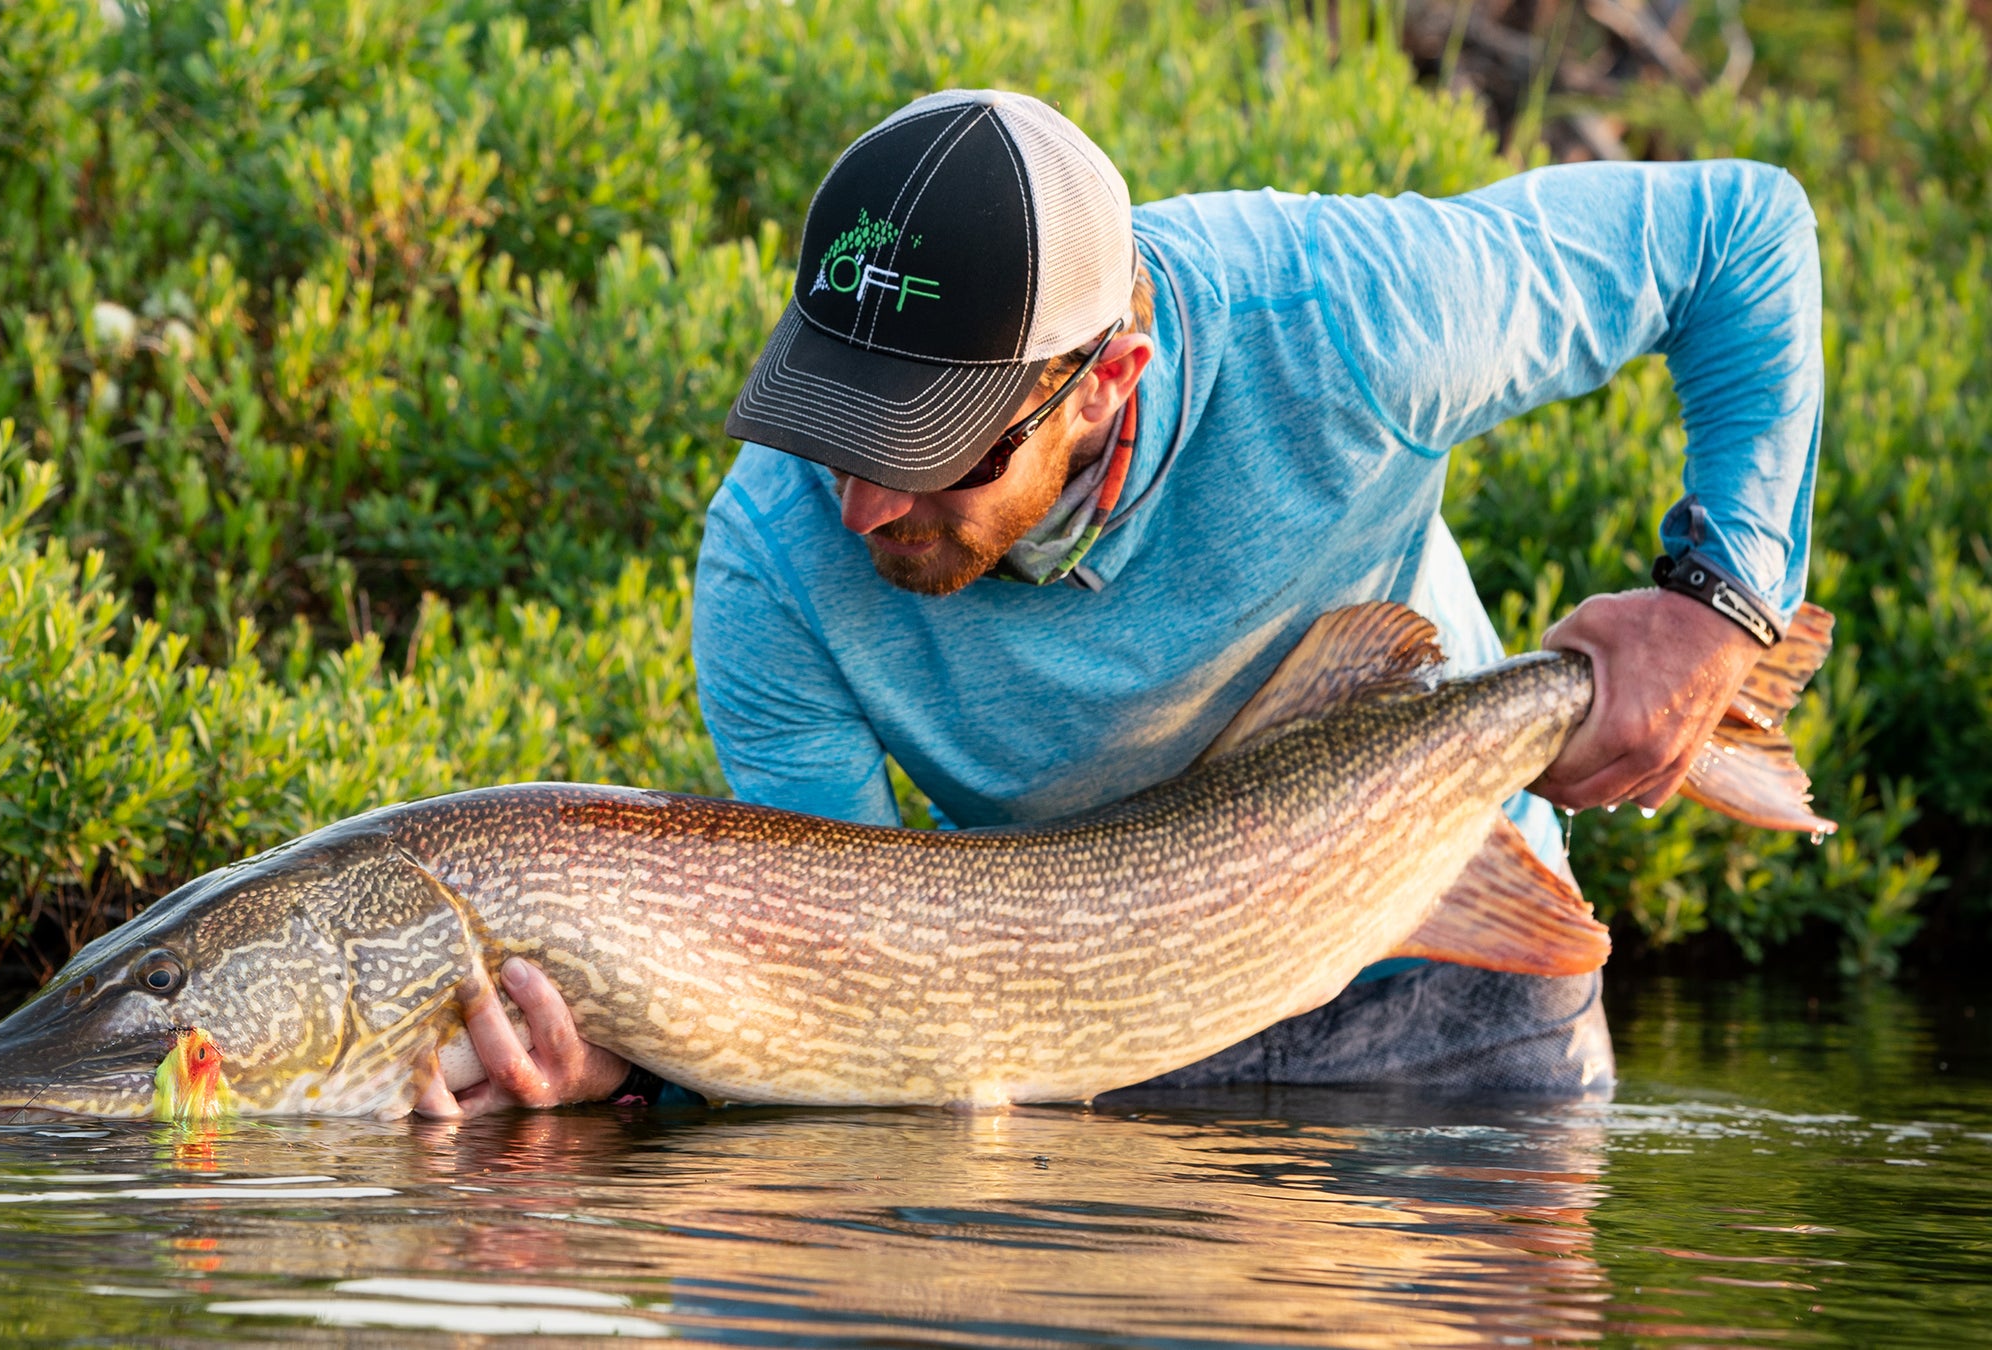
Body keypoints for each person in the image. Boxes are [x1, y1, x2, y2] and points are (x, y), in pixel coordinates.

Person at [412, 89, 1820, 1117]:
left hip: (1450, 996)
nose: (861, 508)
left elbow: (1738, 236)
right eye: (834, 432)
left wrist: (1719, 600)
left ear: (1108, 377)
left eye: (930, 453)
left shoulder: (1353, 316)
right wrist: (627, 1064)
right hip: (1098, 1049)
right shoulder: (767, 573)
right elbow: (864, 1005)